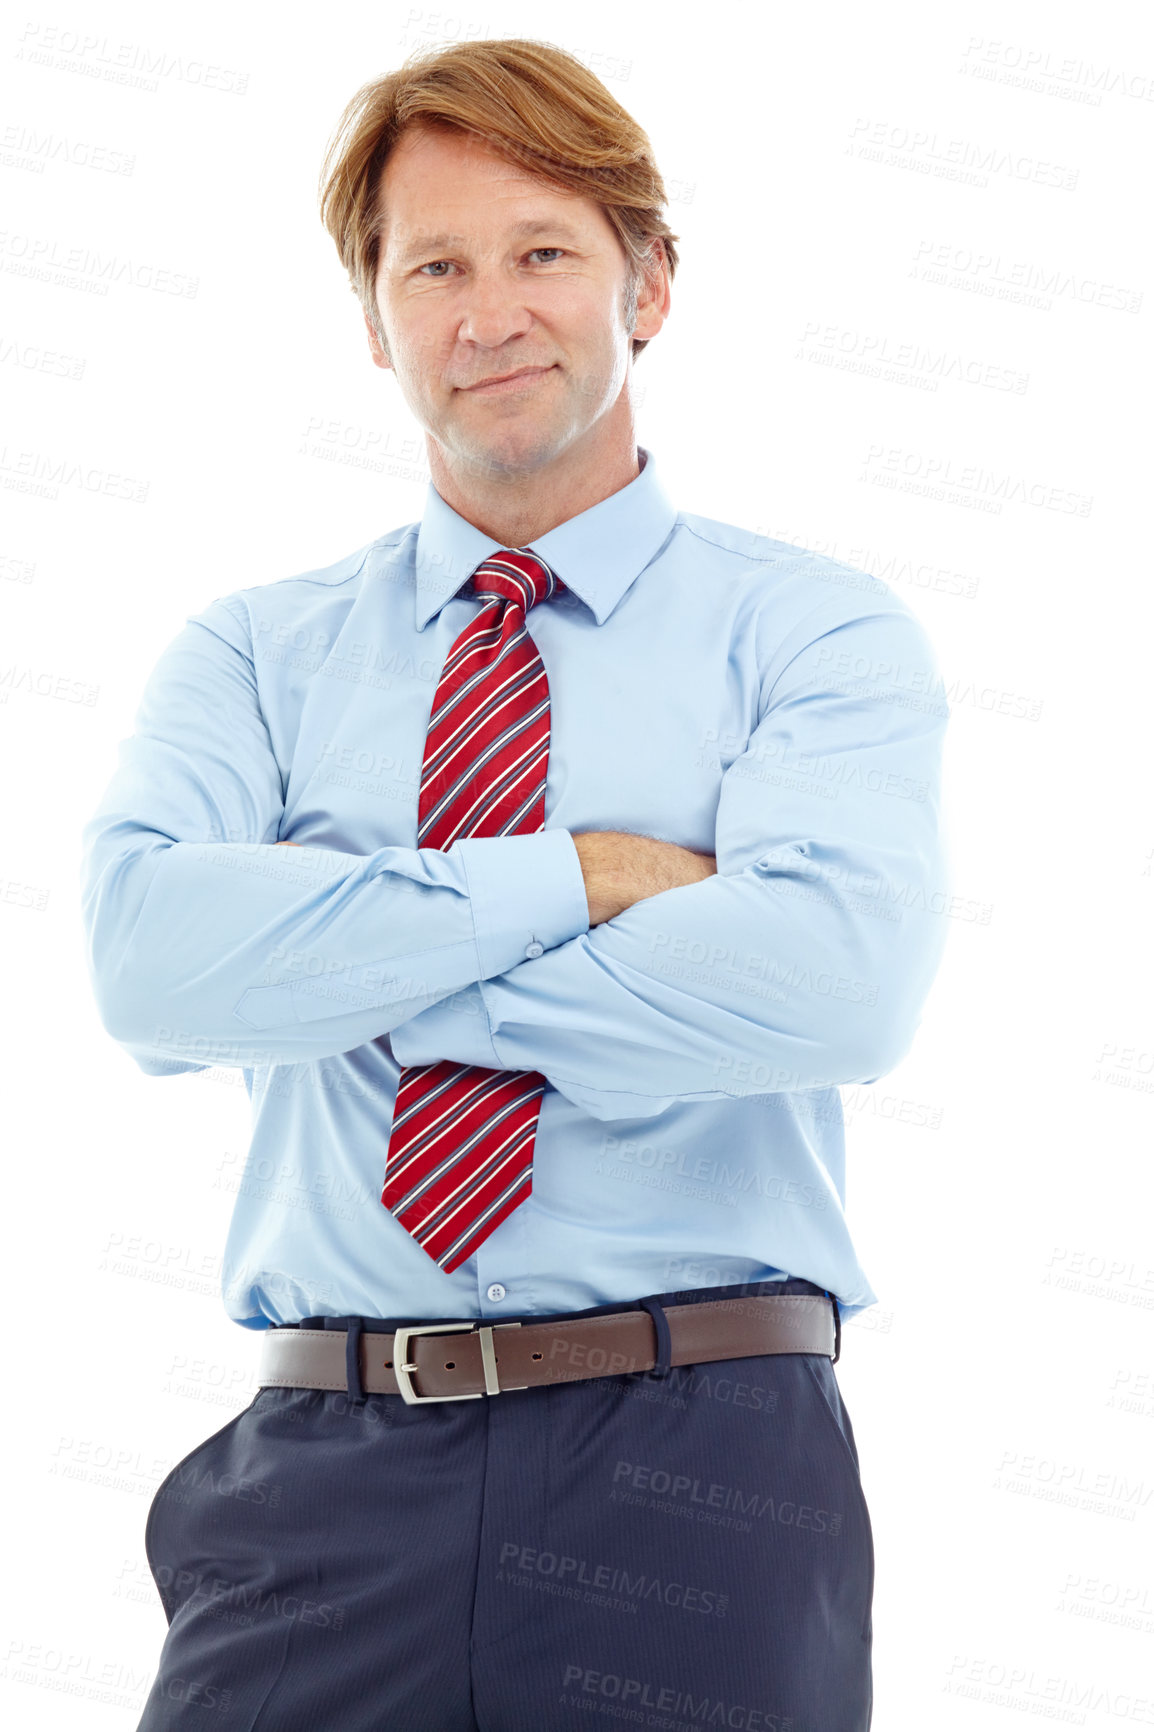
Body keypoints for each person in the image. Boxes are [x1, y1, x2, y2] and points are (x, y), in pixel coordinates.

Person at [80, 36, 948, 1732]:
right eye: (436, 267)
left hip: (699, 1450)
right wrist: (585, 878)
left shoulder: (811, 632)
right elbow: (147, 975)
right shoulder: (255, 653)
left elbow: (835, 988)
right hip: (321, 1470)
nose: (491, 315)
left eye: (543, 252)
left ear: (651, 281)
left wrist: (336, 945)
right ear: (375, 317)